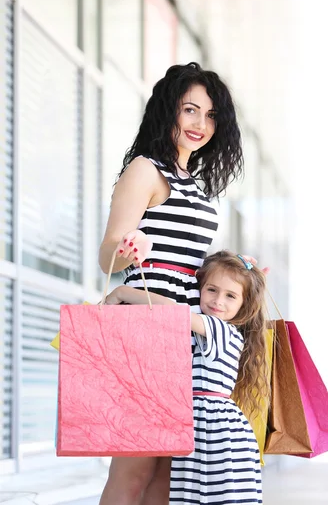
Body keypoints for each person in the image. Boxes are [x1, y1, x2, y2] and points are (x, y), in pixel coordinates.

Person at [98, 62, 244, 505]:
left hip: (185, 332)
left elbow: (191, 263)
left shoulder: (197, 187)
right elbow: (108, 255)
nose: (201, 124)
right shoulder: (146, 170)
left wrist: (242, 275)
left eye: (211, 115)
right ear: (169, 112)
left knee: (168, 476)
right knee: (135, 468)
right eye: (190, 110)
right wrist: (130, 245)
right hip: (145, 329)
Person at [104, 250, 270, 505]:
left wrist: (122, 293)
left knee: (216, 496)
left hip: (215, 431)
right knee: (195, 495)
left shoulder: (221, 329)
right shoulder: (207, 330)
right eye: (212, 290)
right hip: (201, 425)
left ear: (243, 306)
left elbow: (174, 311)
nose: (218, 301)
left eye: (230, 296)